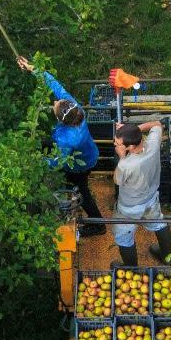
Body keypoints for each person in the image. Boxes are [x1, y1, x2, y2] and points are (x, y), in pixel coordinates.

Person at [17, 56, 105, 237]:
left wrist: (36, 162)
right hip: (87, 154)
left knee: (83, 191)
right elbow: (56, 86)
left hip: (80, 165)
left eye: (56, 106)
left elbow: (57, 162)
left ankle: (98, 224)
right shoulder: (75, 109)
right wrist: (33, 69)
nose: (55, 102)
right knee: (42, 144)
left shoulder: (67, 140)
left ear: (60, 120)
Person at [112, 121, 171, 267]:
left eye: (118, 143)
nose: (115, 145)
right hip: (151, 198)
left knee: (123, 236)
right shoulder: (152, 144)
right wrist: (132, 131)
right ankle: (166, 257)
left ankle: (131, 269)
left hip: (129, 207)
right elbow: (157, 124)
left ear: (131, 147)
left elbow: (116, 180)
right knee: (159, 223)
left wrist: (121, 157)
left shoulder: (125, 164)